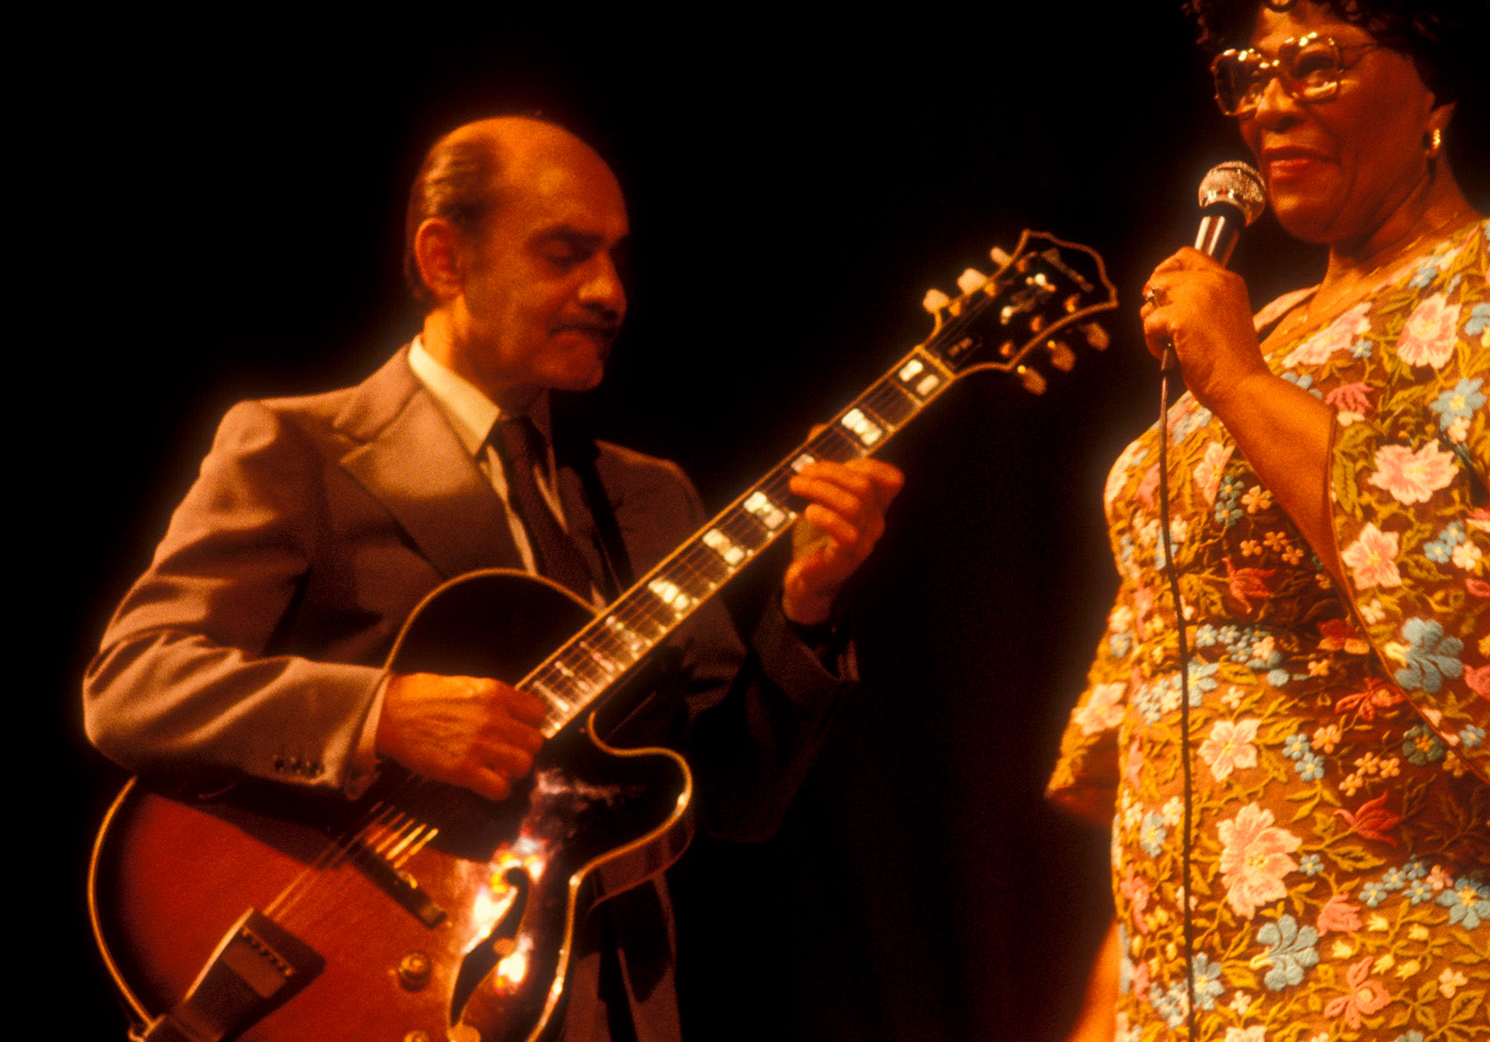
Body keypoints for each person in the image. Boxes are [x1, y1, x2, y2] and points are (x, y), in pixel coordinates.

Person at [84, 115, 904, 1040]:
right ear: (445, 259)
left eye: (617, 259)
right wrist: (383, 713)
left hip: (617, 1010)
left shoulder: (648, 497)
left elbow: (739, 803)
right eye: (565, 253)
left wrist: (808, 606)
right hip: (364, 983)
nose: (609, 291)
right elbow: (132, 685)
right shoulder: (296, 447)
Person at [1048, 0, 1490, 1038]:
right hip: (1207, 976)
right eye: (1250, 73)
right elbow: (1178, 691)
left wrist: (1236, 377)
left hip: (1433, 959)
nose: (1270, 104)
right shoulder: (1270, 325)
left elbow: (1487, 603)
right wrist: (1120, 977)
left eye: (1318, 63)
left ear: (1431, 86)